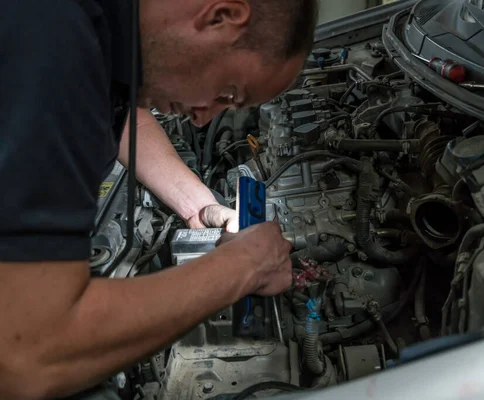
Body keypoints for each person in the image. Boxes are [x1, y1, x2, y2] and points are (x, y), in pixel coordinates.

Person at [0, 0, 319, 398]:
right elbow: (27, 351)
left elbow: (113, 112)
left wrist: (198, 205)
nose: (203, 118)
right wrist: (244, 266)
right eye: (228, 92)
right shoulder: (51, 34)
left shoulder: (99, 26)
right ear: (220, 17)